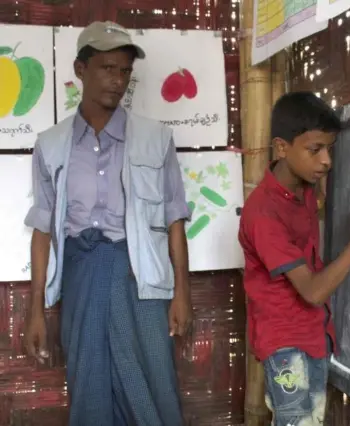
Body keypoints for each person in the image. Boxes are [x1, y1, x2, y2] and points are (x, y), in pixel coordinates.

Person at [23, 21, 192, 426]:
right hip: (82, 278)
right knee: (89, 381)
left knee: (154, 382)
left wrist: (182, 294)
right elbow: (43, 229)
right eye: (107, 69)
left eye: (125, 72)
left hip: (141, 280)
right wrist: (35, 311)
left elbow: (173, 218)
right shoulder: (50, 145)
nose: (117, 81)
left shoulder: (156, 138)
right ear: (81, 70)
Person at [238, 91, 350, 426]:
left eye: (329, 149)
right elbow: (313, 291)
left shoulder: (302, 188)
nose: (327, 161)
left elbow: (313, 208)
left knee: (311, 421)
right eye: (314, 149)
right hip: (284, 343)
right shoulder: (263, 213)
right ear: (281, 147)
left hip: (313, 333)